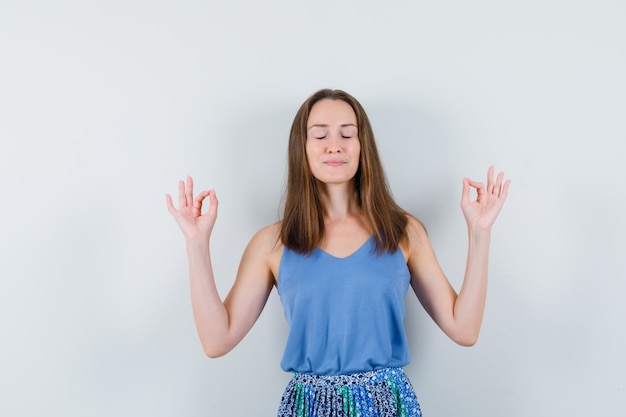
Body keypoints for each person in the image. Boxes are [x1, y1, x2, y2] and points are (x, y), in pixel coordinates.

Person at [165, 88, 510, 417]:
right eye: (320, 135)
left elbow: (464, 330)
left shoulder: (403, 232)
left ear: (363, 146)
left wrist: (480, 232)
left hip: (387, 405)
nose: (335, 146)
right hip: (307, 407)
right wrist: (196, 243)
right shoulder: (273, 242)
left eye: (347, 134)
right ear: (303, 147)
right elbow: (216, 340)